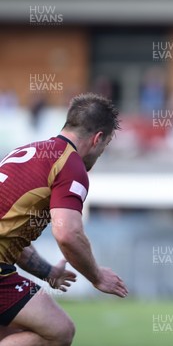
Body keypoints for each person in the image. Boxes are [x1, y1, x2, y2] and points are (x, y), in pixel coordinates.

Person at [0, 92, 128, 345]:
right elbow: (68, 234)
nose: (101, 152)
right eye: (106, 145)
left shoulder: (28, 150)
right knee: (59, 331)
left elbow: (10, 236)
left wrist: (47, 271)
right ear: (98, 138)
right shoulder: (70, 165)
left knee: (13, 334)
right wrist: (97, 276)